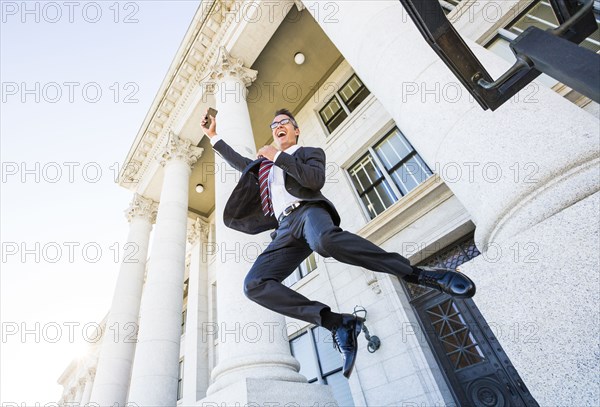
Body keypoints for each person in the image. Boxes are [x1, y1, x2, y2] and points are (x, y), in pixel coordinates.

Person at [201, 108, 475, 378]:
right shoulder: (264, 168)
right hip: (284, 228)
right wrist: (213, 136)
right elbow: (238, 161)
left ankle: (421, 275)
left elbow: (313, 180)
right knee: (254, 285)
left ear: (296, 130)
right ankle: (338, 323)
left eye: (284, 122)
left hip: (309, 212)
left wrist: (280, 157)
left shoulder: (309, 153)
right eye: (274, 125)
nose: (277, 126)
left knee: (325, 241)